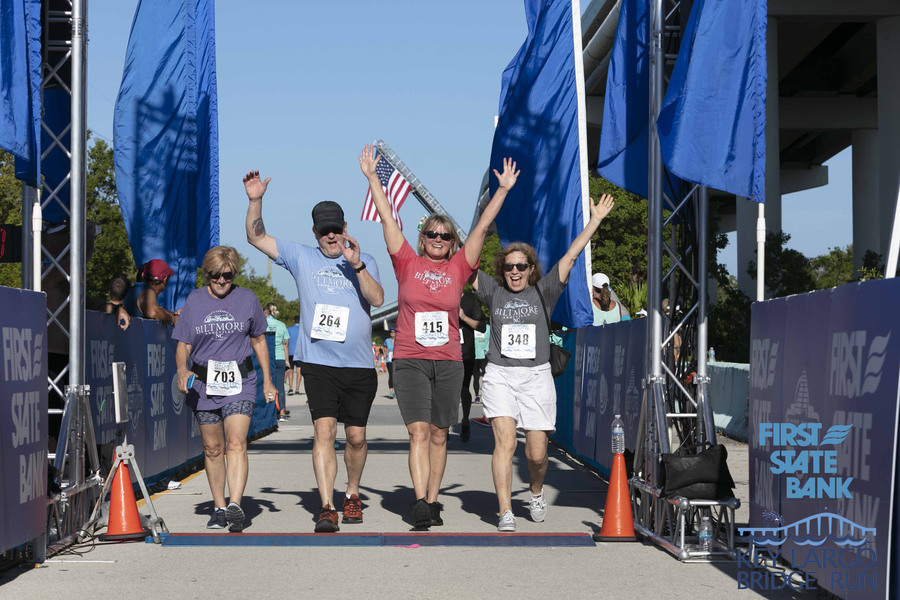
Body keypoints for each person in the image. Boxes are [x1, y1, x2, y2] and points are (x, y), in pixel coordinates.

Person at [359, 144, 518, 529]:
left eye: (445, 235)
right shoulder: (406, 262)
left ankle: (433, 500)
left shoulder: (461, 266)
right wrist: (371, 179)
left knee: (438, 434)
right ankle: (419, 503)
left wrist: (502, 191)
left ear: (451, 242)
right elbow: (387, 219)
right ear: (423, 236)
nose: (438, 238)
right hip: (411, 358)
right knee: (417, 431)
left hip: (448, 361)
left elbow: (480, 228)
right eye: (431, 232)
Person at [244, 169, 384, 533]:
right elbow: (255, 236)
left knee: (356, 437)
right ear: (315, 233)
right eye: (324, 231)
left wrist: (357, 265)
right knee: (323, 433)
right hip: (318, 363)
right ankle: (326, 506)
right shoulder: (301, 256)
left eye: (335, 228)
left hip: (358, 365)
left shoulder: (363, 258)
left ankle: (352, 494)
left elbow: (379, 298)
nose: (331, 236)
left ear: (345, 227)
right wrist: (255, 200)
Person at [474, 194, 615, 532]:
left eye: (521, 266)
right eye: (509, 267)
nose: (514, 272)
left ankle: (535, 492)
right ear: (502, 271)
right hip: (500, 376)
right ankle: (505, 510)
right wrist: (472, 225)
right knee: (505, 442)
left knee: (537, 454)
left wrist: (594, 221)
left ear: (531, 269)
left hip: (536, 377)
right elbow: (464, 263)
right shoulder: (493, 291)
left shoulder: (545, 291)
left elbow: (571, 255)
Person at [173, 246, 277, 533]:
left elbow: (258, 341)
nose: (221, 281)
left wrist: (268, 380)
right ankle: (218, 507)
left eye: (227, 276)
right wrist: (182, 370)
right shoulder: (194, 301)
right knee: (213, 447)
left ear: (234, 274)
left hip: (240, 382)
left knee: (235, 442)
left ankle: (235, 505)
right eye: (215, 276)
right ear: (207, 275)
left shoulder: (247, 299)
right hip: (204, 384)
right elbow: (184, 344)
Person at [457, 292, 486, 443]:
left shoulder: (469, 301)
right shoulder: (441, 296)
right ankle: (443, 425)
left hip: (465, 353)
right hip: (442, 353)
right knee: (443, 391)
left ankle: (465, 421)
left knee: (463, 389)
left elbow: (482, 327)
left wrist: (464, 318)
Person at [125, 259, 181, 326]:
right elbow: (153, 312)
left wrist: (174, 315)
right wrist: (173, 320)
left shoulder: (134, 289)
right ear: (165, 279)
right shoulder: (148, 292)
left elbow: (157, 309)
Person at [264, 302, 291, 421]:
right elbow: (285, 344)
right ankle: (282, 412)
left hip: (266, 358)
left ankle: (269, 412)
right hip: (280, 357)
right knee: (280, 385)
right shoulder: (281, 325)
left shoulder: (262, 324)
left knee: (267, 384)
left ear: (266, 311)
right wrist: (287, 360)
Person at [473, 323, 490, 403]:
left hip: (484, 355)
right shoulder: (473, 326)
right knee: (477, 378)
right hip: (476, 355)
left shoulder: (488, 327)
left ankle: (485, 396)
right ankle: (477, 396)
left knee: (485, 378)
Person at [285, 316, 301, 395]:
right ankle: (297, 389)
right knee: (299, 371)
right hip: (300, 353)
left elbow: (286, 341)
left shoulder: (289, 329)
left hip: (290, 352)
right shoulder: (302, 330)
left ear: (293, 321)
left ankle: (290, 388)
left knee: (290, 371)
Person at [385, 329, 395, 398]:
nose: (392, 333)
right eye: (391, 332)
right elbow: (385, 348)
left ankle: (397, 391)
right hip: (389, 361)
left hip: (397, 360)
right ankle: (391, 392)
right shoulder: (387, 340)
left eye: (393, 332)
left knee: (397, 376)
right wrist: (386, 354)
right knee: (391, 375)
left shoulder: (398, 340)